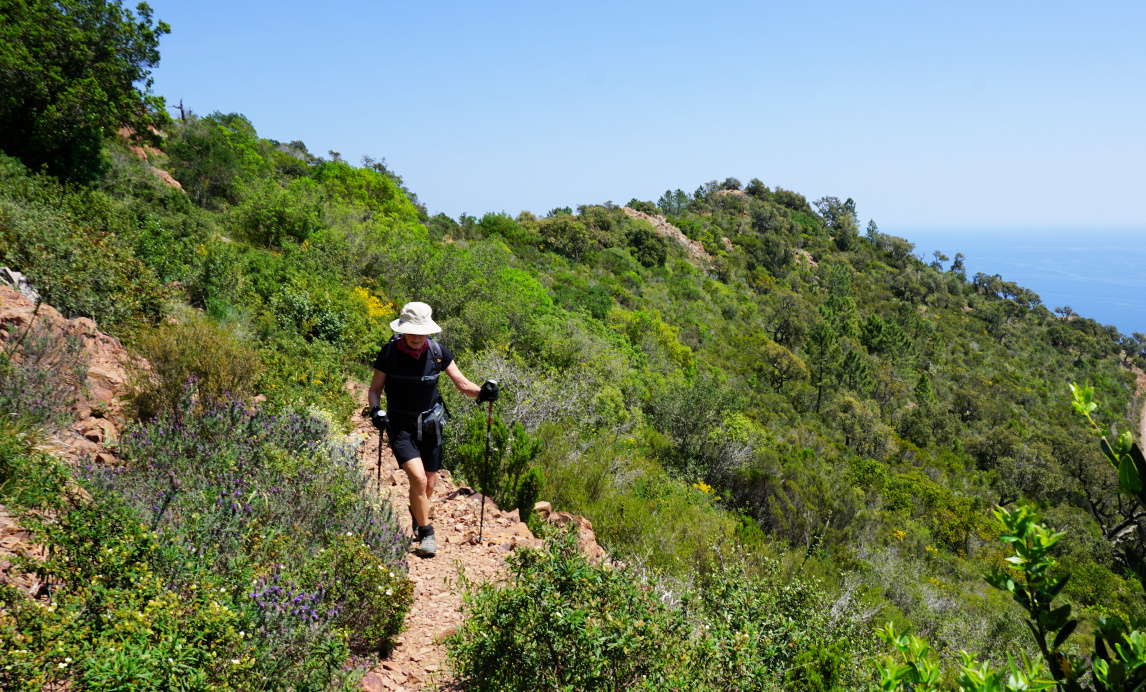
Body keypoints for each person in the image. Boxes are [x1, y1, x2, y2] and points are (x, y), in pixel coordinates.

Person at [367, 302, 498, 558]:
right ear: (403, 330)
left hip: (430, 426)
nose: (416, 337)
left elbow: (462, 385)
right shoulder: (389, 353)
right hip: (400, 425)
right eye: (412, 331)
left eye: (421, 332)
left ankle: (418, 512)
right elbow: (374, 389)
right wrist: (376, 411)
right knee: (418, 479)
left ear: (428, 332)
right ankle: (427, 532)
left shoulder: (439, 353)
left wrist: (483, 393)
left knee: (429, 485)